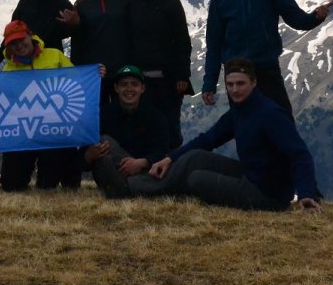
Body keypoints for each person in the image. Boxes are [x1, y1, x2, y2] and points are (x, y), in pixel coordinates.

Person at [130, 59, 322, 212]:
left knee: (196, 179)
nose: (235, 90)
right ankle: (142, 185)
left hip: (268, 194)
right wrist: (169, 158)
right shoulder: (240, 110)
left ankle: (140, 189)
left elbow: (300, 155)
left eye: (240, 84)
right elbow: (208, 139)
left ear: (254, 83)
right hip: (250, 175)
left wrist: (306, 194)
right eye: (230, 84)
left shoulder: (270, 114)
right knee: (195, 157)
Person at [201, 0, 332, 115]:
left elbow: (294, 18)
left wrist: (315, 17)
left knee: (281, 123)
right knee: (246, 129)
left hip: (266, 69)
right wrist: (209, 84)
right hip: (235, 76)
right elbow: (214, 44)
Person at [0, 19, 83, 191]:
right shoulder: (8, 69)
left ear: (30, 35)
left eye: (21, 39)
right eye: (13, 44)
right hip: (23, 132)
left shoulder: (55, 55)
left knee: (47, 185)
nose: (19, 46)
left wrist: (96, 74)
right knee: (11, 185)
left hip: (54, 129)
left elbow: (78, 80)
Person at [126, 0, 193, 147]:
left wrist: (183, 75)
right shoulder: (133, 6)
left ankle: (173, 169)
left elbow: (182, 41)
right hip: (142, 80)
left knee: (170, 126)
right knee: (144, 126)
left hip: (169, 79)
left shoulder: (171, 3)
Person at [82, 65, 171, 198]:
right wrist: (89, 155)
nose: (129, 89)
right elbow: (80, 160)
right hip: (111, 173)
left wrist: (142, 162)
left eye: (134, 84)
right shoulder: (102, 115)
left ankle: (125, 190)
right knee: (104, 150)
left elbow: (163, 150)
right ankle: (129, 189)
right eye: (124, 85)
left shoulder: (155, 116)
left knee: (105, 142)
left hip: (143, 172)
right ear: (116, 88)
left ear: (142, 88)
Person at [59, 0, 132, 105]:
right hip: (95, 73)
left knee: (126, 117)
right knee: (100, 118)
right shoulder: (82, 4)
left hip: (124, 71)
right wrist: (74, 24)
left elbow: (135, 32)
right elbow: (79, 41)